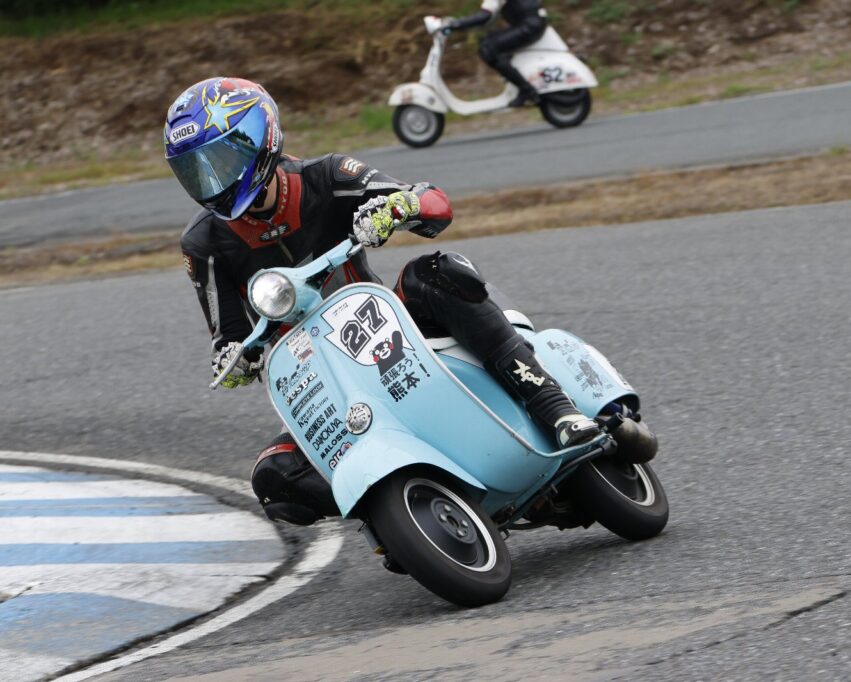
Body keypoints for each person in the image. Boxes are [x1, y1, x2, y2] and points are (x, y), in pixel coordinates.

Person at [164, 77, 599, 527]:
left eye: (219, 161)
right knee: (273, 478)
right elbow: (229, 337)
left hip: (385, 329)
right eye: (196, 170)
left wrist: (397, 208)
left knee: (436, 273)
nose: (211, 180)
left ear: (259, 138)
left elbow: (434, 202)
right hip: (318, 377)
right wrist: (235, 361)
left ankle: (554, 407)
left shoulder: (327, 175)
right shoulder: (203, 242)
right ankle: (391, 515)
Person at [445, 0, 548, 107]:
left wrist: (456, 24)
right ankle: (514, 79)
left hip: (529, 27)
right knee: (487, 42)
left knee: (488, 49)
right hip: (532, 23)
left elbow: (484, 16)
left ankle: (527, 91)